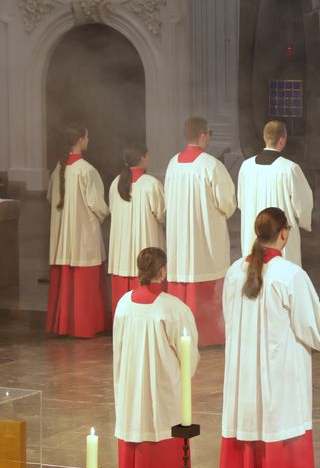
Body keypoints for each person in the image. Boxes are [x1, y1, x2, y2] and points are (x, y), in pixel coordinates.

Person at [215, 208, 320, 468]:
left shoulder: (235, 271)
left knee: (253, 433)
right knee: (281, 433)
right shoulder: (291, 276)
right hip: (279, 377)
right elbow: (313, 331)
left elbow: (230, 319)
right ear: (285, 233)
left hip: (245, 374)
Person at [112, 247, 199, 468]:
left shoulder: (123, 304)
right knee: (162, 426)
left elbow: (118, 347)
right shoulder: (173, 308)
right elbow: (189, 353)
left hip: (130, 387)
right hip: (163, 391)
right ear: (162, 271)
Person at [164, 116, 237, 346]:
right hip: (204, 236)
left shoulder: (173, 164)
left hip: (179, 237)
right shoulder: (211, 165)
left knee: (183, 271)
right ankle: (208, 334)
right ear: (203, 135)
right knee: (206, 267)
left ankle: (180, 333)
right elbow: (227, 203)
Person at [46, 122, 110, 338]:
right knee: (85, 282)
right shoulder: (87, 171)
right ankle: (84, 326)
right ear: (80, 140)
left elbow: (50, 199)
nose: (89, 140)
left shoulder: (58, 169)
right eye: (87, 137)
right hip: (83, 236)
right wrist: (107, 213)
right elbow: (96, 205)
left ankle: (63, 325)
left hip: (63, 238)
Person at [236, 120, 313, 264]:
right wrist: (302, 220)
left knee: (254, 274)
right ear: (282, 140)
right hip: (280, 235)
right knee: (282, 274)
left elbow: (241, 202)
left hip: (253, 231)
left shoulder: (246, 167)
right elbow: (303, 202)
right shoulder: (289, 169)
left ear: (265, 138)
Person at [108, 141, 166, 310]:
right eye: (147, 155)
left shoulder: (115, 183)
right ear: (142, 157)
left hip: (122, 248)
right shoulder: (151, 184)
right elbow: (161, 214)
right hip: (144, 243)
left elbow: (113, 210)